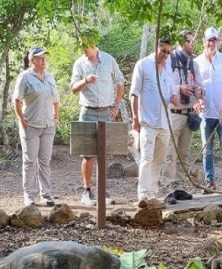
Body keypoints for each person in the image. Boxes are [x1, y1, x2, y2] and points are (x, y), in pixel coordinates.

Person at [70, 28, 125, 207]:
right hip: (88, 111)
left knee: (104, 152)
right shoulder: (79, 64)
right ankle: (87, 192)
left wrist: (116, 106)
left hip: (106, 112)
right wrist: (85, 80)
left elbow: (120, 82)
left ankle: (102, 190)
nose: (84, 49)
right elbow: (73, 88)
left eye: (87, 45)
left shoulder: (109, 60)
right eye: (82, 45)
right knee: (88, 154)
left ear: (94, 43)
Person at [130, 38, 178, 209]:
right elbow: (134, 93)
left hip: (164, 121)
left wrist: (174, 98)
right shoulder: (143, 65)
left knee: (158, 159)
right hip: (147, 120)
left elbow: (173, 95)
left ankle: (152, 193)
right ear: (156, 47)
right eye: (163, 51)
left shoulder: (168, 70)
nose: (165, 55)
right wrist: (135, 119)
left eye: (168, 52)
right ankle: (143, 194)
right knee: (146, 157)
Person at [12, 47, 59, 207]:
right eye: (39, 58)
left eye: (44, 58)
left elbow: (55, 99)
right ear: (32, 60)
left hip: (48, 125)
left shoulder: (50, 77)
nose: (43, 60)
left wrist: (56, 116)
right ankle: (29, 195)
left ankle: (46, 195)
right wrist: (23, 121)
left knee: (45, 160)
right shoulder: (24, 77)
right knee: (30, 161)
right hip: (31, 125)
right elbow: (16, 101)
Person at [161, 30, 203, 204]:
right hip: (173, 113)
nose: (192, 44)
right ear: (181, 42)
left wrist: (200, 93)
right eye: (189, 41)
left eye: (193, 41)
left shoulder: (194, 64)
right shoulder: (170, 60)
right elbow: (165, 83)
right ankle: (166, 188)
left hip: (189, 113)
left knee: (183, 154)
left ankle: (179, 187)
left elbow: (200, 85)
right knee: (169, 153)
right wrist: (179, 89)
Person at [194, 27, 222, 194]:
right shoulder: (196, 63)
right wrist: (196, 100)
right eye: (209, 40)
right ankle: (209, 181)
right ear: (204, 41)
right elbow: (193, 86)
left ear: (218, 42)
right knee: (207, 150)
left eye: (214, 40)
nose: (212, 43)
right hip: (205, 114)